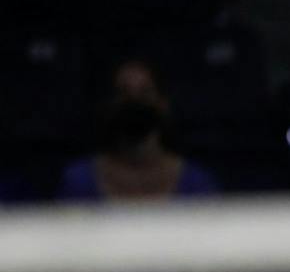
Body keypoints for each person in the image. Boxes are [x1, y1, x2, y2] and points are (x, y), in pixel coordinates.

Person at [58, 58, 221, 203]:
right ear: (109, 105)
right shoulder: (78, 181)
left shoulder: (197, 183)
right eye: (124, 93)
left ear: (163, 104)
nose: (134, 101)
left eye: (145, 92)